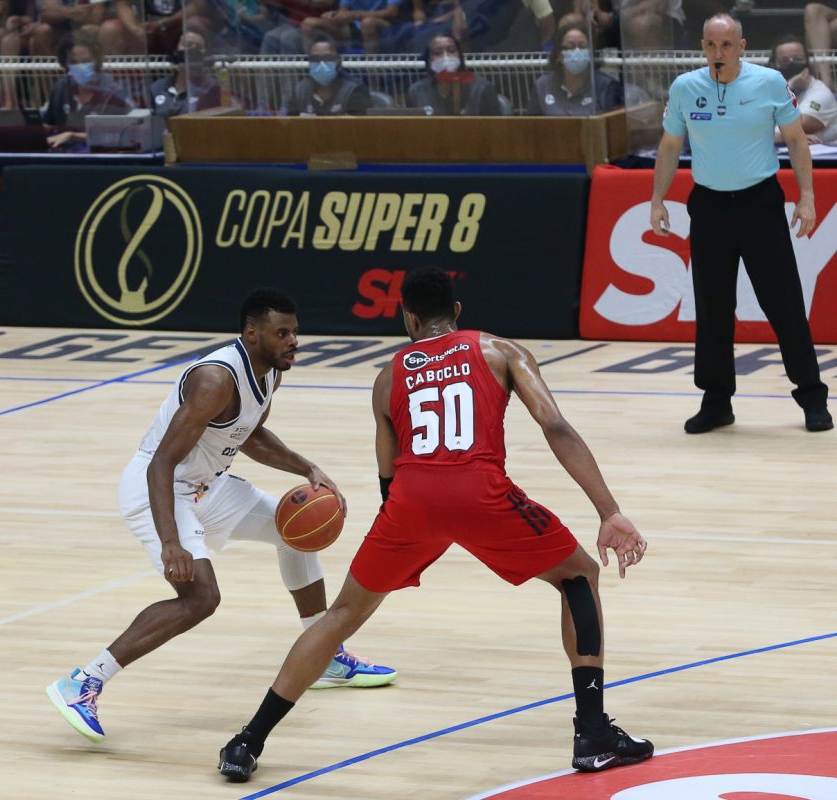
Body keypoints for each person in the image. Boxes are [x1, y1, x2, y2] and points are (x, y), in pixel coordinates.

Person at [217, 268, 654, 783]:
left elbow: (387, 475)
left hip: (411, 501)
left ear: (409, 318)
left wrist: (405, 535)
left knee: (342, 614)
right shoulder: (500, 350)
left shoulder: (387, 377)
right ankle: (594, 733)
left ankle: (248, 741)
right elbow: (554, 425)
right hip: (483, 493)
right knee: (579, 575)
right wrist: (608, 511)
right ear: (458, 312)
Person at [46, 289, 397, 744]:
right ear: (252, 334)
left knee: (293, 533)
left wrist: (306, 468)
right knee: (200, 598)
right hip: (159, 489)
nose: (293, 341)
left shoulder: (270, 373)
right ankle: (83, 682)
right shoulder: (215, 379)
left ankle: (325, 653)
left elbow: (249, 436)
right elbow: (161, 463)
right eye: (282, 333)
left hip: (205, 487)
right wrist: (171, 542)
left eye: (295, 332)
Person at [650, 14, 833, 434]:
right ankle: (717, 402)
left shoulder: (768, 83)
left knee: (784, 302)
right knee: (713, 307)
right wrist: (657, 200)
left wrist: (806, 197)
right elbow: (671, 145)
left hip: (759, 204)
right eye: (711, 45)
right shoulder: (685, 88)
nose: (719, 53)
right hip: (709, 207)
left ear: (742, 46)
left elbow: (796, 140)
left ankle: (812, 396)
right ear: (702, 46)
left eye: (727, 45)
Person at [42, 32, 133, 150]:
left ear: (97, 60)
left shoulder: (114, 94)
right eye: (73, 62)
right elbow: (50, 124)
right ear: (65, 65)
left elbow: (120, 135)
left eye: (85, 61)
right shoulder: (61, 87)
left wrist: (73, 136)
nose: (81, 67)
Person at [527, 21, 623, 116]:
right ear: (559, 55)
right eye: (570, 47)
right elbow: (532, 124)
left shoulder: (606, 86)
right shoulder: (542, 86)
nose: (577, 52)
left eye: (583, 46)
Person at [407, 34, 504, 116]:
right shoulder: (416, 91)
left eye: (451, 50)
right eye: (437, 53)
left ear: (459, 55)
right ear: (429, 60)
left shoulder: (482, 88)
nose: (445, 56)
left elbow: (495, 128)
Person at [768, 34, 837, 145]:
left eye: (798, 59)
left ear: (807, 62)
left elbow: (792, 127)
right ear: (773, 65)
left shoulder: (821, 94)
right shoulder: (768, 90)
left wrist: (789, 87)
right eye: (785, 61)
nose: (792, 64)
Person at [283, 36, 370, 116]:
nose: (322, 64)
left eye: (328, 58)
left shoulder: (354, 88)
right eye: (315, 59)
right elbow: (289, 123)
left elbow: (361, 124)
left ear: (338, 62)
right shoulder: (300, 90)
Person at [148, 27, 222, 117]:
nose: (192, 49)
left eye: (198, 47)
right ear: (175, 50)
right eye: (188, 44)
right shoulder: (157, 87)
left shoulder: (212, 89)